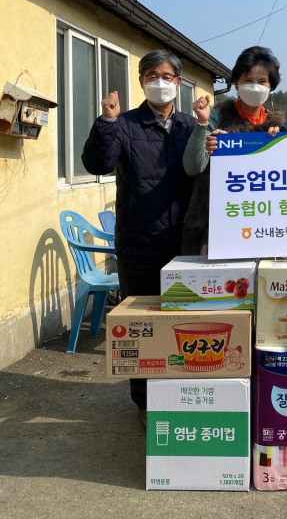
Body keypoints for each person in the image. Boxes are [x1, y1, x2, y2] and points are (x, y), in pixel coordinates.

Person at [82, 49, 197, 426]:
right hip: (139, 245)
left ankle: (183, 395)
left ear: (178, 83)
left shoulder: (191, 126)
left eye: (166, 76)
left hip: (187, 247)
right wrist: (106, 122)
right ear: (141, 82)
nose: (158, 82)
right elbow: (97, 164)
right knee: (142, 331)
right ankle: (145, 404)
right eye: (150, 75)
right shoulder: (125, 124)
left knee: (186, 326)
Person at [182, 46, 283, 254]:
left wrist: (281, 144)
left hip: (266, 227)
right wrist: (205, 136)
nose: (255, 86)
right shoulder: (215, 118)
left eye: (262, 81)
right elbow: (192, 167)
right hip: (213, 229)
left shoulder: (279, 127)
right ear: (236, 83)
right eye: (247, 80)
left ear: (271, 85)